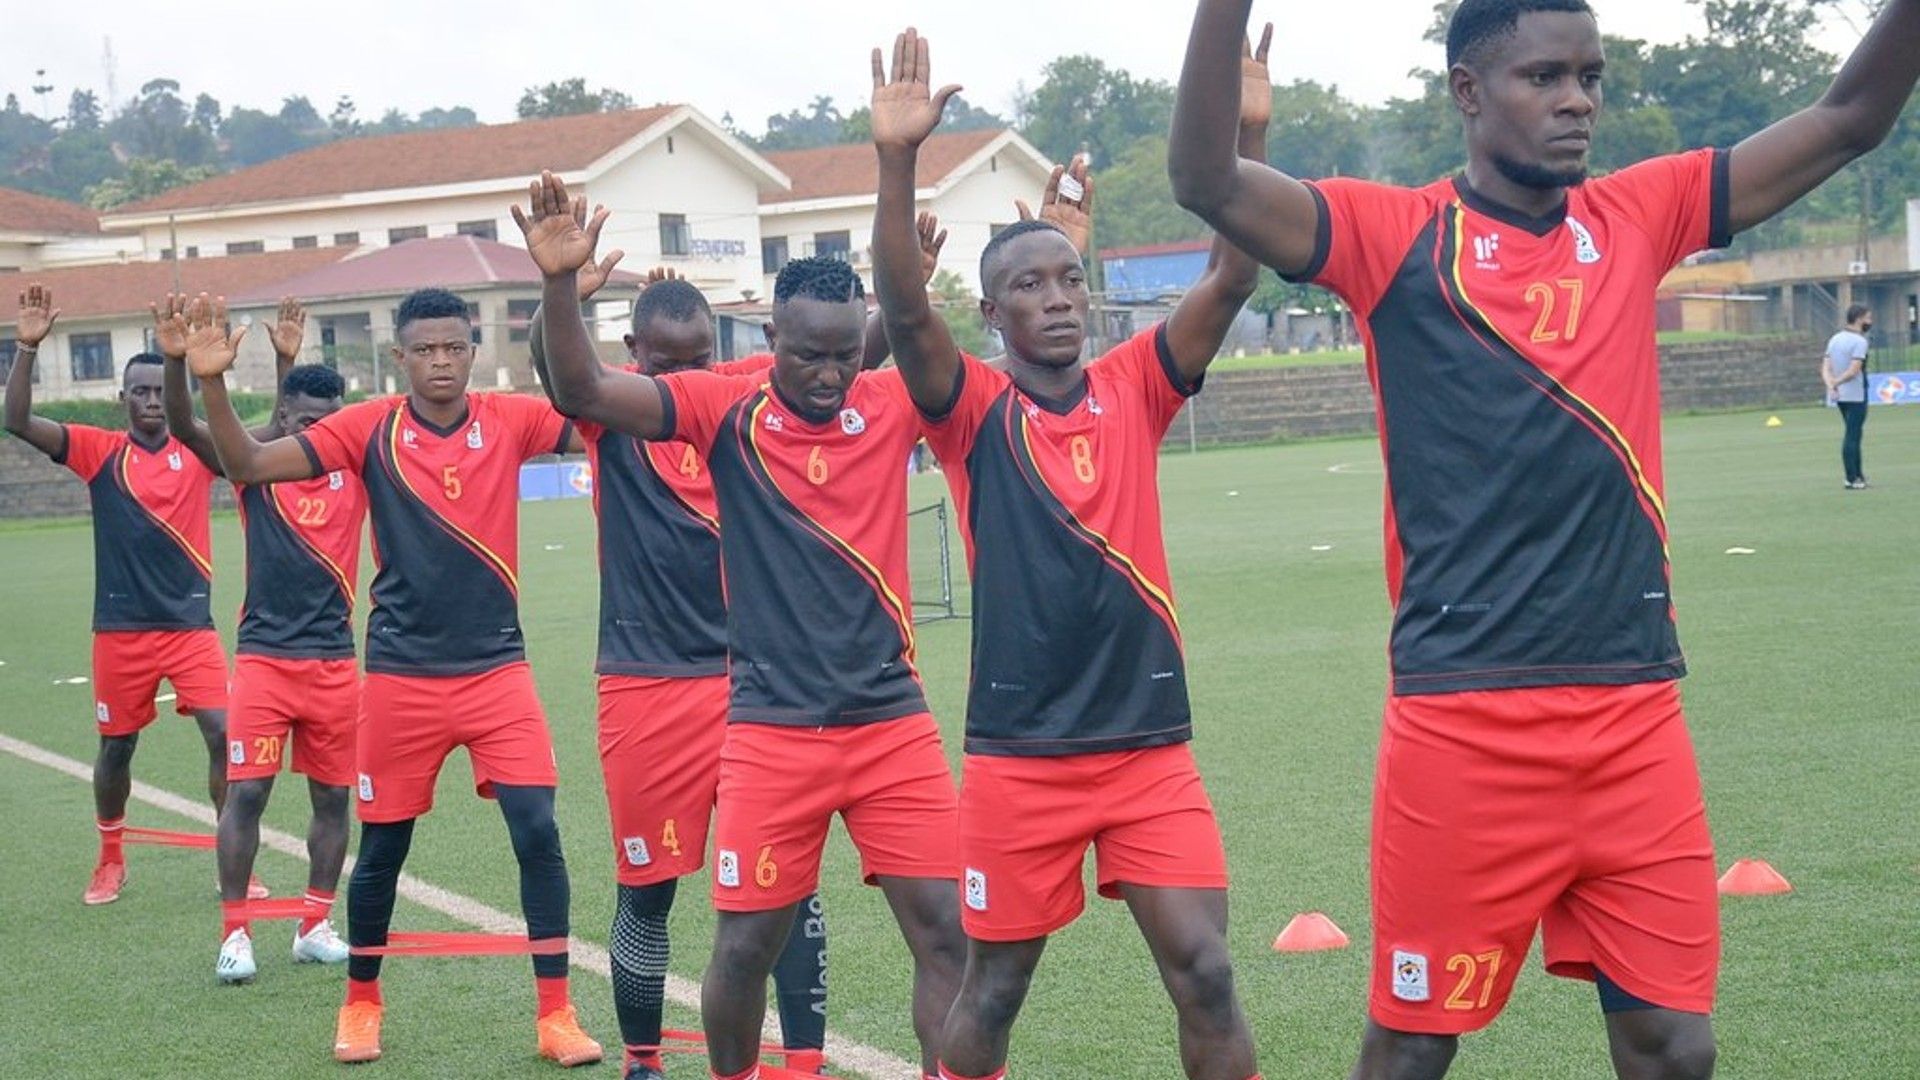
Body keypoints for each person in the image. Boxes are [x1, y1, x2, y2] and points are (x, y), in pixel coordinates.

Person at [1169, 0, 1920, 1076]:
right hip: (1463, 724)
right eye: (1545, 78)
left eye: (1592, 77)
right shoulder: (1394, 235)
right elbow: (1207, 181)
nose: (1578, 100)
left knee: (1676, 1048)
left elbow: (1849, 117)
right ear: (1469, 94)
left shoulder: (1639, 213)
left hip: (1635, 714)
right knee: (1413, 1049)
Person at [866, 29, 1264, 1080]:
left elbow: (1230, 276)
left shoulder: (1136, 383)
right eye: (1031, 286)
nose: (1057, 297)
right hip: (1021, 759)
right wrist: (897, 158)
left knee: (1208, 974)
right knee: (993, 989)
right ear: (992, 314)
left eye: (1068, 278)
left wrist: (1249, 136)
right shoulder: (970, 408)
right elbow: (905, 307)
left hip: (1148, 749)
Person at [520, 171, 966, 1080]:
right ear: (768, 344)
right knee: (740, 949)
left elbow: (905, 341)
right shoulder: (724, 409)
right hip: (770, 733)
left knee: (952, 938)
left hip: (893, 723)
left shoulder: (887, 404)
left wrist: (901, 235)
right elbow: (580, 388)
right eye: (808, 355)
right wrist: (560, 286)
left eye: (846, 354)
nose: (830, 373)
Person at [182, 289, 601, 1067]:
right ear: (399, 356)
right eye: (425, 349)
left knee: (538, 833)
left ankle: (556, 1015)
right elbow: (244, 462)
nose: (440, 361)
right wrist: (211, 381)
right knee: (383, 852)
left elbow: (589, 403)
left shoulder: (511, 419)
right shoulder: (367, 427)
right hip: (402, 680)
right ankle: (362, 1004)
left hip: (497, 671)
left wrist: (563, 299)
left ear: (471, 350)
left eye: (454, 347)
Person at [529, 262, 835, 1080]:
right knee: (648, 888)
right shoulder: (611, 413)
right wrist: (564, 290)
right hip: (646, 682)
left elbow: (842, 352)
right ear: (634, 354)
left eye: (699, 360)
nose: (685, 380)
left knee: (787, 888)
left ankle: (803, 1063)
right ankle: (643, 1062)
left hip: (759, 685)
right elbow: (560, 373)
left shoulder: (741, 396)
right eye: (666, 366)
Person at [154, 293, 363, 984]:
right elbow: (184, 424)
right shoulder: (256, 471)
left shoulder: (358, 470)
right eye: (304, 423)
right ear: (285, 422)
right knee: (247, 795)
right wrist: (181, 363)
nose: (317, 438)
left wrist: (285, 363)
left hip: (336, 664)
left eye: (327, 426)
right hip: (268, 663)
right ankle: (236, 933)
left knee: (334, 800)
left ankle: (314, 925)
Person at [4, 284, 233, 907]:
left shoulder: (198, 448)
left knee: (224, 733)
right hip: (121, 631)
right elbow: (17, 420)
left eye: (162, 390)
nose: (154, 401)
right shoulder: (99, 452)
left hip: (191, 628)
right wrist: (26, 347)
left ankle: (231, 855)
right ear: (123, 398)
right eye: (142, 391)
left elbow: (260, 442)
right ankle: (110, 857)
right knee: (117, 748)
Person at [1823, 303, 1872, 489]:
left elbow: (1826, 367)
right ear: (1859, 318)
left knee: (1855, 434)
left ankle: (1858, 475)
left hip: (1841, 396)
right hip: (1856, 394)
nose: (1870, 322)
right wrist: (1836, 382)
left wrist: (1831, 385)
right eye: (1868, 318)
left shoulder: (1835, 338)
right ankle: (1851, 478)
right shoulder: (1860, 342)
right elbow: (1854, 370)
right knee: (1852, 435)